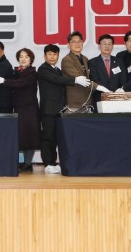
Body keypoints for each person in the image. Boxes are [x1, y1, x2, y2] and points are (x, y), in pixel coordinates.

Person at [37, 44, 90, 174]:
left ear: (58, 55)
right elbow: (56, 80)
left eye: (55, 54)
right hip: (49, 109)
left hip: (59, 109)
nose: (52, 57)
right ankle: (48, 163)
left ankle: (53, 162)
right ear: (45, 56)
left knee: (56, 137)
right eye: (49, 54)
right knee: (48, 137)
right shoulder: (43, 69)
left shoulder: (57, 69)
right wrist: (75, 80)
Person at [0, 48, 41, 172]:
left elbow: (20, 83)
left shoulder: (32, 72)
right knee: (22, 136)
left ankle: (28, 163)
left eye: (26, 57)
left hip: (29, 108)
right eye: (21, 57)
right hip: (19, 107)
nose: (23, 59)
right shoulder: (16, 71)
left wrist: (4, 81)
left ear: (31, 60)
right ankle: (24, 163)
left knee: (30, 135)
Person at [61, 31, 109, 109]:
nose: (77, 44)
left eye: (79, 41)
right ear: (68, 45)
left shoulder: (85, 59)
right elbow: (82, 79)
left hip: (88, 102)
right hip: (75, 103)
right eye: (74, 42)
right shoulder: (66, 60)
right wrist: (99, 87)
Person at [88, 34, 127, 105]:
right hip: (99, 98)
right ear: (99, 46)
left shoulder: (119, 61)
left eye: (109, 44)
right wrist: (106, 91)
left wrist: (120, 90)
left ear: (112, 46)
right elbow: (94, 79)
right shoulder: (92, 62)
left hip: (117, 99)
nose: (107, 46)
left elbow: (123, 79)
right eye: (104, 44)